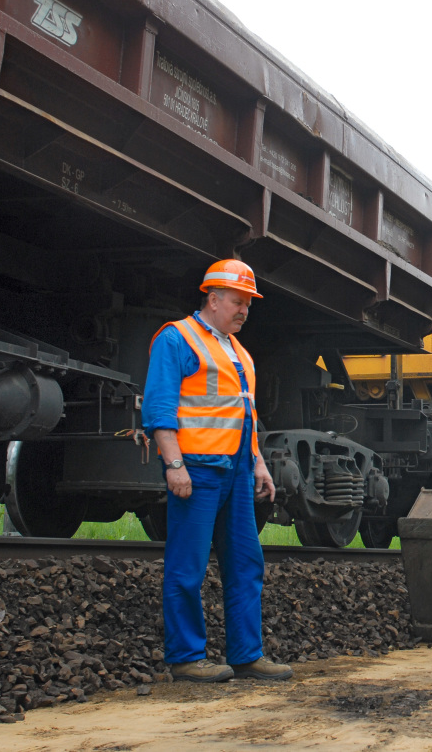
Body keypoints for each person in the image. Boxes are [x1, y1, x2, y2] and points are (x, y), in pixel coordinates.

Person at [142, 259, 292, 683]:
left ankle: (247, 655)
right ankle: (186, 658)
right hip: (198, 471)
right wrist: (174, 464)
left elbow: (244, 415)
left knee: (246, 563)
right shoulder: (178, 339)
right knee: (187, 566)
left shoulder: (238, 351)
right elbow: (159, 408)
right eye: (237, 301)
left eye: (248, 303)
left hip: (236, 474)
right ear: (212, 298)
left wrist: (258, 463)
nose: (243, 310)